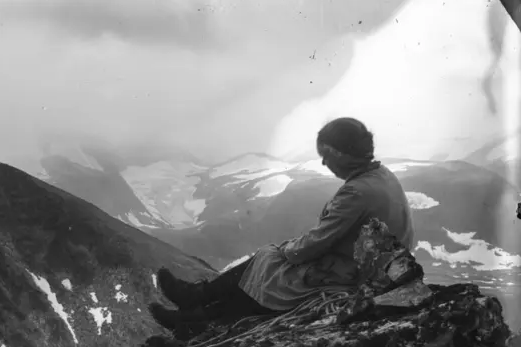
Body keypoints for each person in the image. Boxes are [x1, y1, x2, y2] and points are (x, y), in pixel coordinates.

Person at [150, 117, 416, 333]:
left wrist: (287, 251)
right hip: (374, 269)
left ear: (342, 155)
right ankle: (194, 307)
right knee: (268, 266)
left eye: (326, 155)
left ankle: (194, 310)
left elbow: (316, 243)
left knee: (270, 270)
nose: (324, 162)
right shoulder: (381, 176)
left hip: (354, 276)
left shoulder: (356, 193)